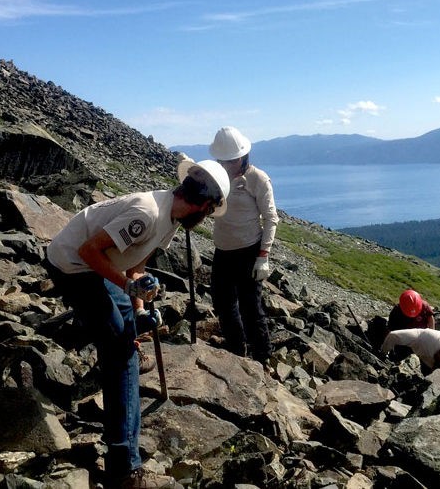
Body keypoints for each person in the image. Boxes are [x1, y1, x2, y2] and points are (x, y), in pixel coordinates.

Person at [45, 159, 230, 489]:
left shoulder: (171, 216)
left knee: (129, 329)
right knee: (121, 356)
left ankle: (117, 338)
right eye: (211, 210)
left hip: (98, 268)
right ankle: (124, 468)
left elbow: (135, 267)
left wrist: (140, 307)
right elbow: (90, 251)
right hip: (73, 267)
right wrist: (129, 289)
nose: (206, 218)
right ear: (204, 205)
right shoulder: (147, 213)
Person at [208, 126, 279, 364]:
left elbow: (271, 218)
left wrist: (263, 255)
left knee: (251, 307)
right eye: (222, 160)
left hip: (249, 250)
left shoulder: (257, 179)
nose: (227, 165)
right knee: (222, 302)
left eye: (231, 160)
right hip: (223, 250)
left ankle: (262, 358)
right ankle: (236, 350)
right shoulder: (217, 176)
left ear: (243, 156)